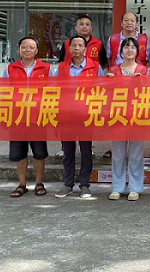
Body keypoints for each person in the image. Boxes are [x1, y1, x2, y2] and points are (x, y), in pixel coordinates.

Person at [54, 35, 105, 200]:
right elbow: (53, 88)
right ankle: (67, 184)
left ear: (85, 49)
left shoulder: (95, 67)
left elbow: (102, 89)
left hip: (86, 114)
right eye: (73, 45)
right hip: (66, 115)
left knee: (86, 151)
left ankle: (84, 184)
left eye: (80, 45)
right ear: (69, 49)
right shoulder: (62, 67)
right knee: (67, 152)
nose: (76, 48)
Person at [3, 36, 52, 198]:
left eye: (31, 47)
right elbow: (3, 91)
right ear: (19, 49)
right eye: (24, 47)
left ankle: (39, 183)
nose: (27, 50)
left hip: (38, 117)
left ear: (37, 50)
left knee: (39, 152)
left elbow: (53, 91)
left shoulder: (46, 68)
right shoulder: (10, 68)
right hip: (17, 117)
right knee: (19, 153)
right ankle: (22, 184)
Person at [56, 14, 107, 158]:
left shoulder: (98, 44)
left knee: (86, 124)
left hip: (88, 91)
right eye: (81, 24)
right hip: (68, 93)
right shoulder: (67, 43)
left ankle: (87, 149)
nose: (84, 26)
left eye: (87, 24)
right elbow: (61, 62)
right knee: (66, 124)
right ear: (76, 27)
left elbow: (103, 63)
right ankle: (64, 148)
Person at [104, 12, 150, 159]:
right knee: (118, 130)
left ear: (136, 23)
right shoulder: (113, 39)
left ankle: (135, 173)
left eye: (132, 20)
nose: (129, 23)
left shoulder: (144, 39)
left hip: (137, 89)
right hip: (118, 91)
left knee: (136, 139)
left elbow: (148, 61)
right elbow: (109, 59)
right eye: (126, 20)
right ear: (121, 23)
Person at [108, 38, 149, 201]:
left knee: (136, 154)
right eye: (126, 47)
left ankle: (135, 188)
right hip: (118, 115)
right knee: (118, 154)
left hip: (136, 116)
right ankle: (117, 188)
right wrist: (108, 81)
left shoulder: (144, 70)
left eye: (133, 47)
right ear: (121, 51)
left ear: (138, 51)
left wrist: (142, 81)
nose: (130, 50)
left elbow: (149, 92)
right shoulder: (114, 70)